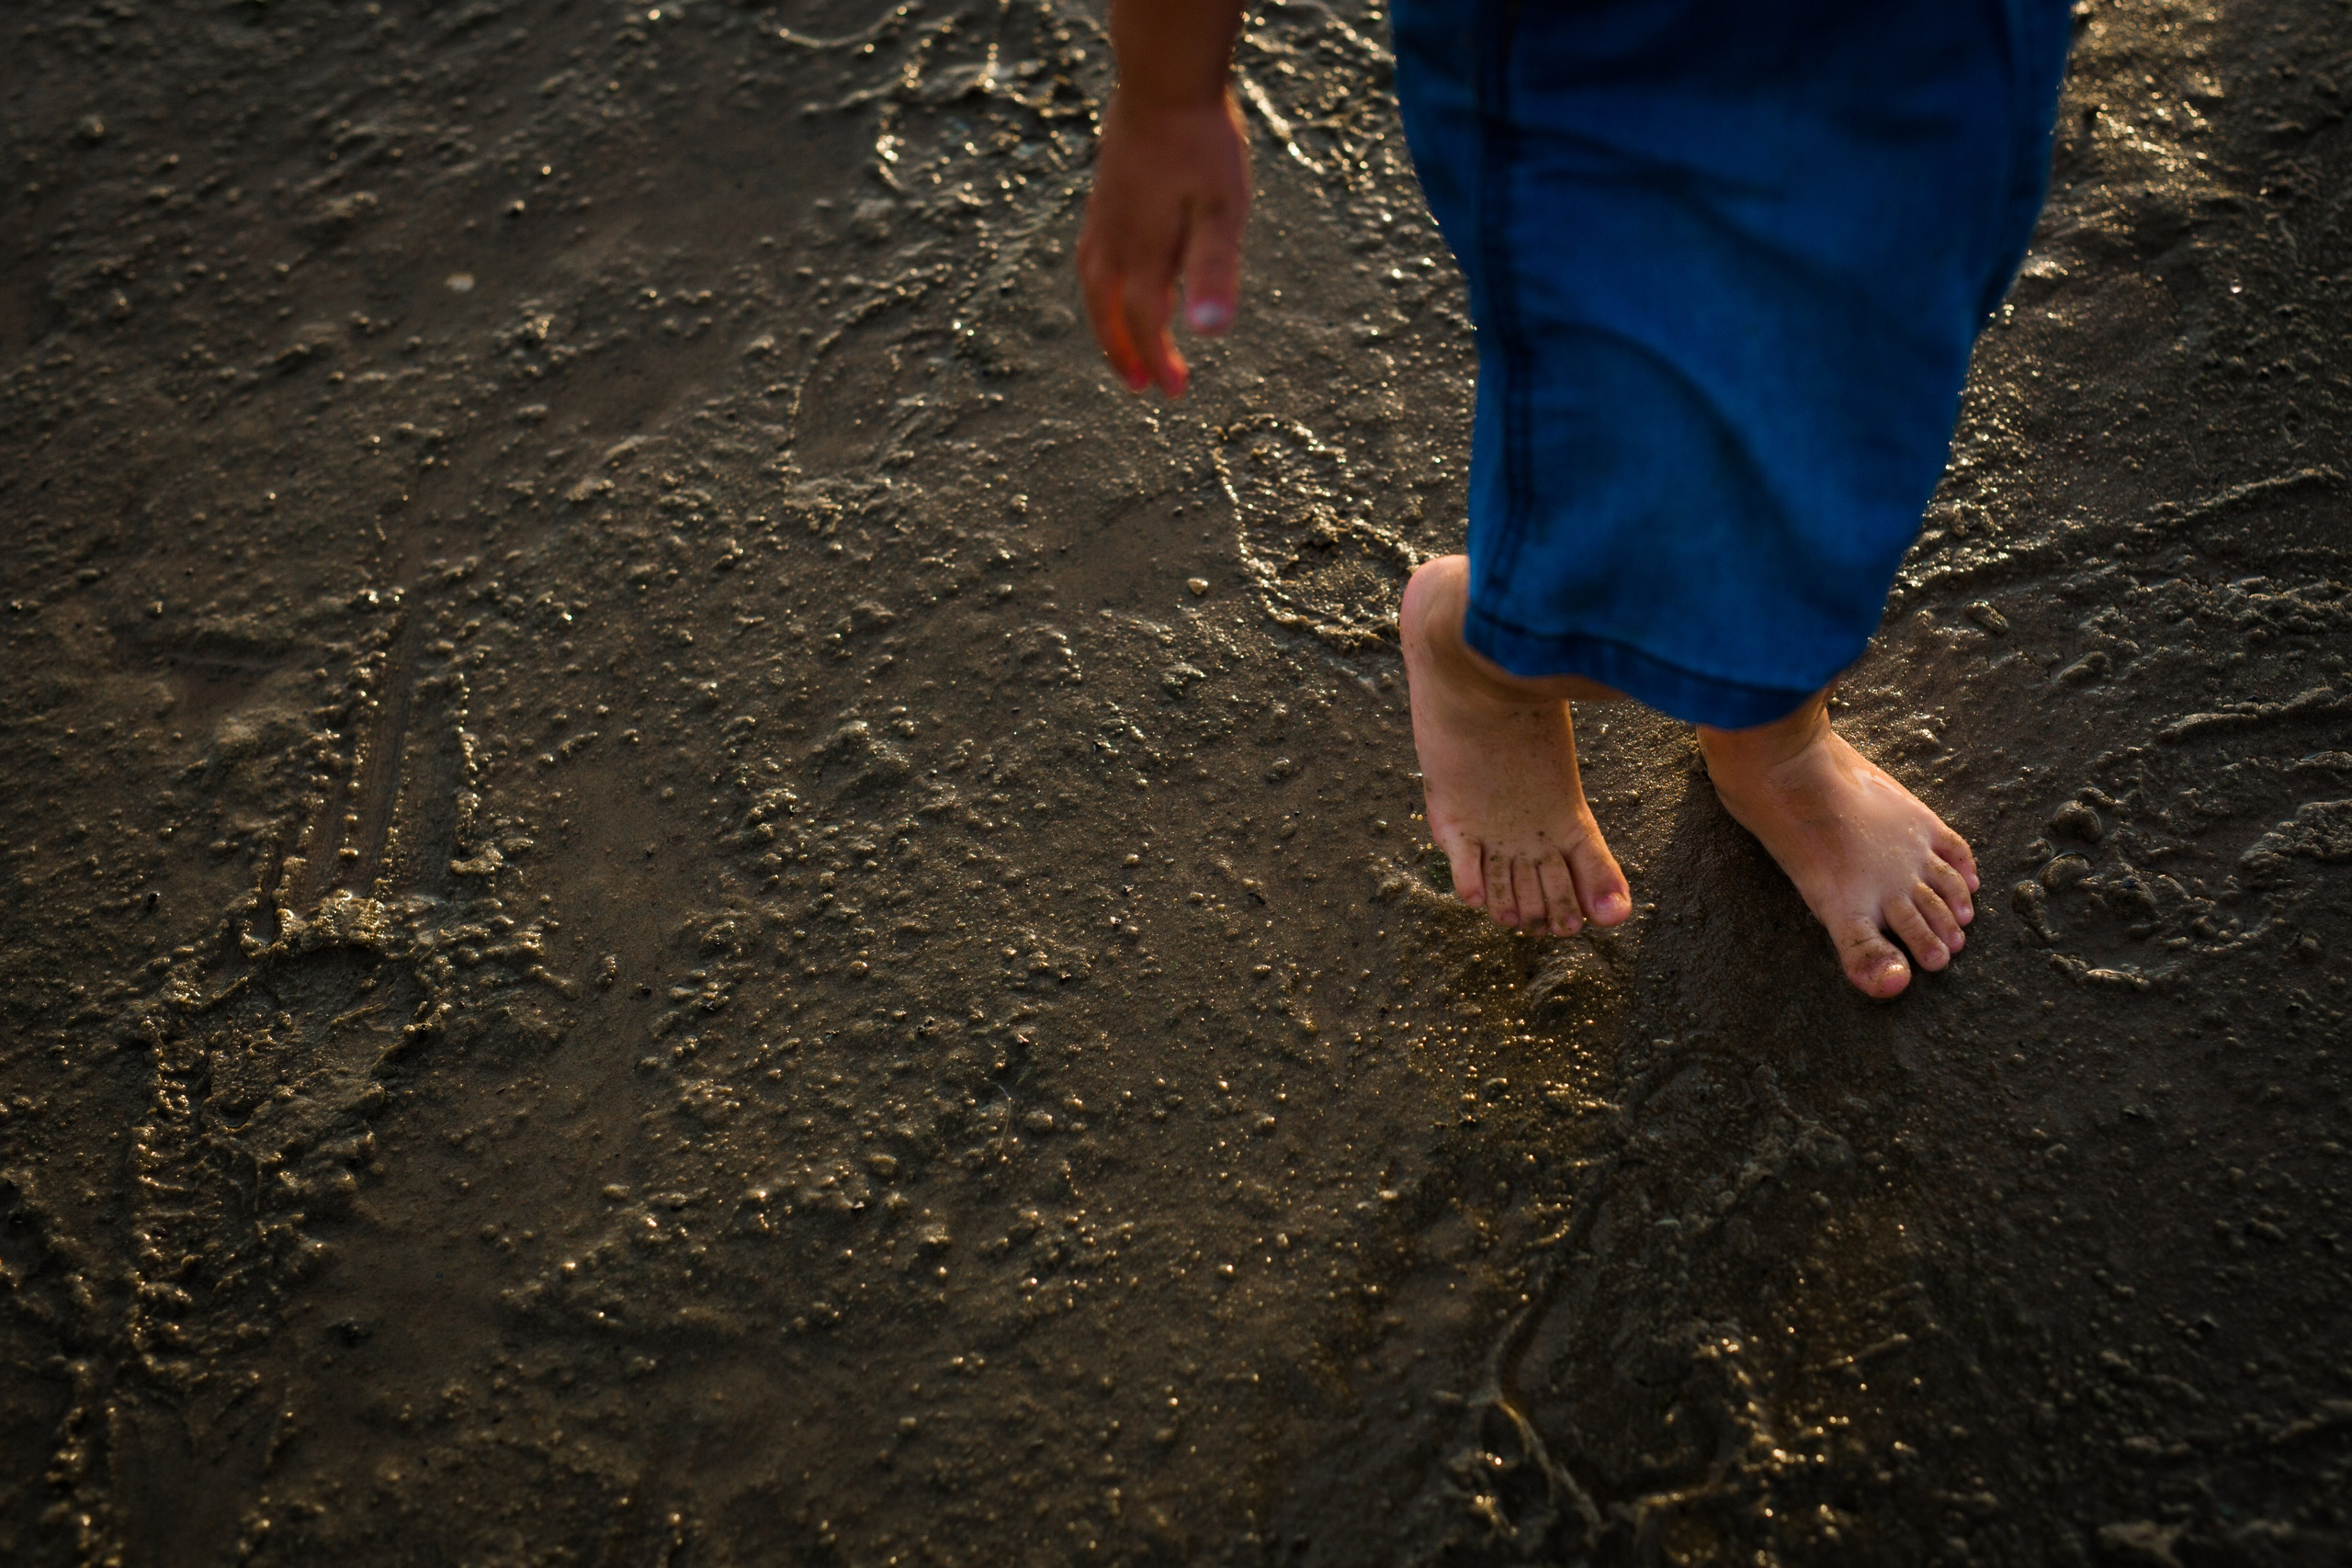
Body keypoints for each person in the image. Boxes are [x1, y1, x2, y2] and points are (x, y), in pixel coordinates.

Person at [1076, 0, 2073, 998]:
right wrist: (1170, 91)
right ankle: (1491, 660)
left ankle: (1768, 731)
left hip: (1931, 44)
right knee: (1651, 458)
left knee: (1866, 395)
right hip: (1612, 57)